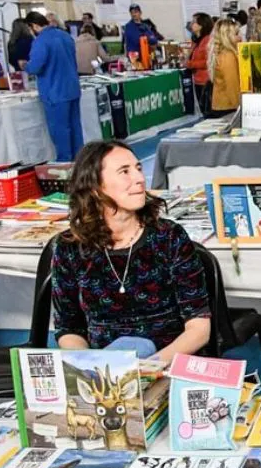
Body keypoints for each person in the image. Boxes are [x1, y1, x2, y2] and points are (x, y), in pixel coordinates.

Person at [51, 141, 211, 361]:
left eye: (138, 168)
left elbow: (199, 329)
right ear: (95, 187)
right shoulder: (70, 247)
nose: (139, 178)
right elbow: (69, 329)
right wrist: (90, 365)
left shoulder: (169, 237)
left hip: (168, 360)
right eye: (124, 172)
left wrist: (150, 368)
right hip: (105, 367)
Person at [24, 12, 83, 161]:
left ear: (34, 26)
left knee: (60, 131)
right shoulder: (65, 36)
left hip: (55, 92)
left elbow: (35, 67)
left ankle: (64, 165)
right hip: (72, 88)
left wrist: (25, 66)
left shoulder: (41, 41)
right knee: (75, 128)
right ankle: (81, 162)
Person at [207, 18, 242, 116]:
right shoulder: (228, 56)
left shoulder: (221, 53)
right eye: (236, 34)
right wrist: (240, 108)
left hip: (222, 105)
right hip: (229, 106)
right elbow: (232, 86)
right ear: (227, 36)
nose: (240, 38)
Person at [185, 13, 214, 116]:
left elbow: (208, 61)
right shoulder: (196, 41)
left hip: (205, 81)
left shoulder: (207, 40)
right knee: (203, 110)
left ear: (201, 25)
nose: (191, 24)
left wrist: (190, 64)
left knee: (207, 111)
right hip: (198, 80)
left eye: (194, 22)